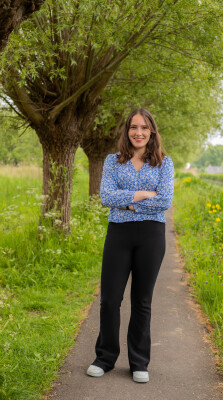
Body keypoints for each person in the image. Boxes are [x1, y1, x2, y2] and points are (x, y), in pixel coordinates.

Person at [87, 107, 174, 383]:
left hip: (151, 236)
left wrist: (126, 202)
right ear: (127, 131)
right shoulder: (113, 161)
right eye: (134, 127)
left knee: (142, 301)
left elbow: (164, 201)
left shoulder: (164, 162)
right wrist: (141, 195)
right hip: (119, 234)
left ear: (152, 132)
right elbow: (106, 197)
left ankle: (138, 362)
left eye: (144, 128)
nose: (138, 132)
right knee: (110, 299)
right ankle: (105, 358)